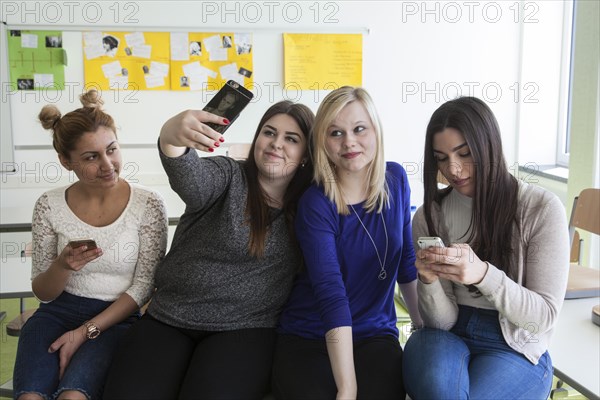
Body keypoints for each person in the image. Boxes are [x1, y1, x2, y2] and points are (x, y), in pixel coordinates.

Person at [103, 100, 315, 399]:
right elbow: (190, 178)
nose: (276, 144)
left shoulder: (311, 205)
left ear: (306, 154)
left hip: (245, 329)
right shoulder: (228, 175)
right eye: (269, 133)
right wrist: (171, 137)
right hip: (170, 316)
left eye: (291, 139)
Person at [402, 97, 570, 399]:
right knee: (441, 390)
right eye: (441, 158)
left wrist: (482, 274)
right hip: (448, 333)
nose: (453, 169)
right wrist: (428, 282)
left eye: (464, 153)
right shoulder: (429, 215)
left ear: (489, 145)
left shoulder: (541, 209)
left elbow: (542, 318)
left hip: (516, 342)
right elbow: (441, 322)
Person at [13, 90, 168, 400]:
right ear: (65, 161)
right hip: (55, 313)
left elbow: (144, 288)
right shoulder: (48, 205)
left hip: (116, 318)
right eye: (91, 157)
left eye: (112, 150)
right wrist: (61, 266)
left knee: (73, 396)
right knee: (31, 397)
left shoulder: (147, 204)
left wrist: (85, 332)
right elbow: (43, 292)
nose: (108, 164)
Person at [272, 86, 422, 399]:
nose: (349, 142)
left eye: (359, 129)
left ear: (375, 131)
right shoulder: (317, 202)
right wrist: (347, 388)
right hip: (310, 333)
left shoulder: (396, 179)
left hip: (374, 334)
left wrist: (424, 328)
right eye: (336, 133)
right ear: (322, 143)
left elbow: (407, 261)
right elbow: (331, 295)